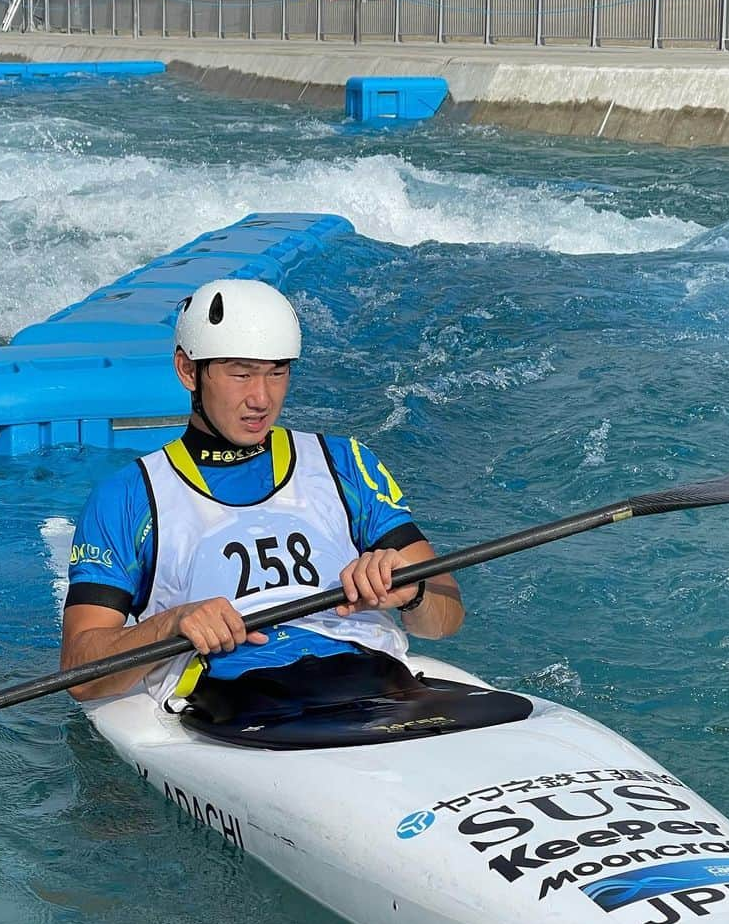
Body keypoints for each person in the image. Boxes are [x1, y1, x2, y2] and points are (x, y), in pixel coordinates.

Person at [60, 278, 463, 719]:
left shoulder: (345, 462)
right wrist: (170, 624)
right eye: (241, 373)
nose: (261, 398)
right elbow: (81, 675)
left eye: (277, 372)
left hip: (377, 680)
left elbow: (447, 615)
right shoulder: (127, 496)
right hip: (234, 699)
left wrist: (412, 592)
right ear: (188, 370)